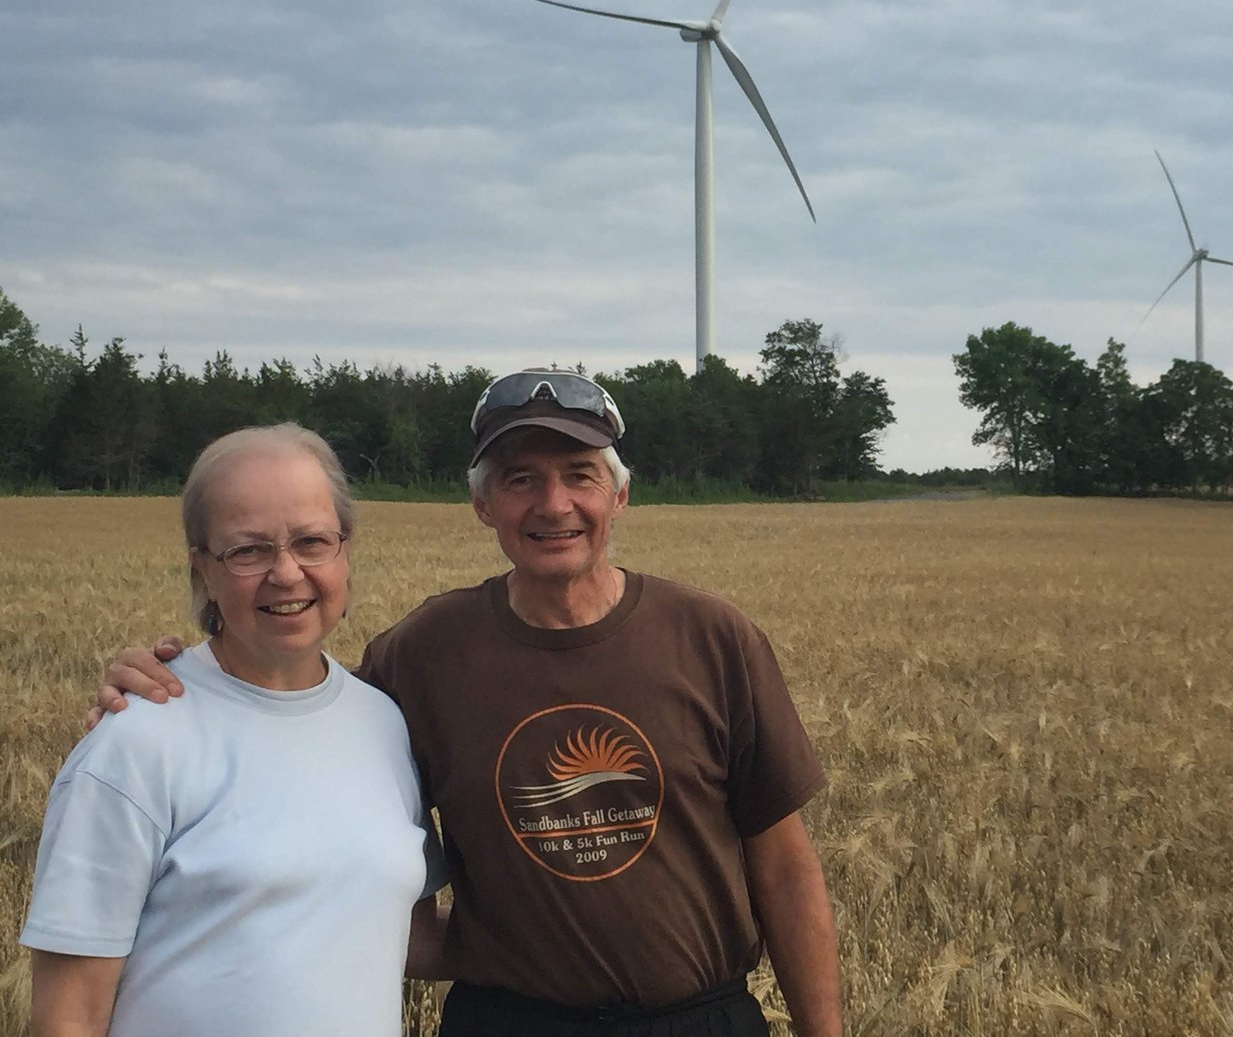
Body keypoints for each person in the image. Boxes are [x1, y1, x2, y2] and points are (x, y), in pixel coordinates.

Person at [95, 371, 844, 1037]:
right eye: (519, 479)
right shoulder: (418, 657)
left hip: (702, 1019)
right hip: (508, 1019)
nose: (554, 505)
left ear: (619, 493)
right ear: (482, 504)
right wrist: (176, 696)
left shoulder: (712, 638)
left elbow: (785, 872)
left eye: (579, 475)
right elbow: (292, 725)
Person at [27, 424, 447, 1037]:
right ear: (203, 566)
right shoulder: (136, 741)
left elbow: (406, 938)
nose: (286, 573)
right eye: (248, 550)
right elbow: (69, 1015)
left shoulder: (382, 722)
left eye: (312, 542)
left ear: (344, 550)